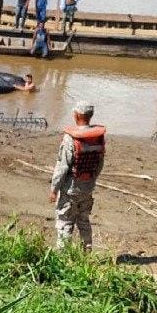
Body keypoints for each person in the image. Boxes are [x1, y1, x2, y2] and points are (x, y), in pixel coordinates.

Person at [50, 101, 105, 250]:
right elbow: (99, 165)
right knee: (84, 221)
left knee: (65, 223)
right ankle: (86, 253)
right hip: (88, 188)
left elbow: (62, 167)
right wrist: (91, 181)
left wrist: (54, 189)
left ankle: (62, 259)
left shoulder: (70, 139)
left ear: (77, 115)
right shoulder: (99, 138)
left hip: (70, 189)